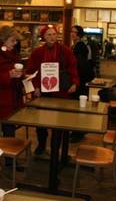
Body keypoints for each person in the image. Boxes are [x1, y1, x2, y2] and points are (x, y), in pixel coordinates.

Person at [26, 25, 79, 155]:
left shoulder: (65, 51)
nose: (52, 37)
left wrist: (75, 83)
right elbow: (31, 72)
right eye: (49, 35)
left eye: (54, 34)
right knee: (41, 122)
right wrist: (36, 86)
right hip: (43, 93)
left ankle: (56, 148)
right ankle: (42, 145)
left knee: (59, 122)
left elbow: (73, 67)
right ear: (44, 37)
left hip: (61, 92)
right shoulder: (37, 53)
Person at [0, 26, 24, 140]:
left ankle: (9, 157)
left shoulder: (14, 53)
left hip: (11, 99)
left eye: (16, 40)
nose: (15, 43)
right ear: (3, 39)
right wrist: (9, 75)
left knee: (10, 133)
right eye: (12, 40)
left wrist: (22, 75)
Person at [69, 25, 93, 142]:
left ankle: (78, 132)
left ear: (79, 34)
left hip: (80, 81)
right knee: (76, 105)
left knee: (78, 106)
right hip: (79, 80)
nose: (72, 34)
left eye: (75, 32)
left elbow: (79, 64)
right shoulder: (76, 45)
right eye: (72, 32)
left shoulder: (81, 46)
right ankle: (76, 131)